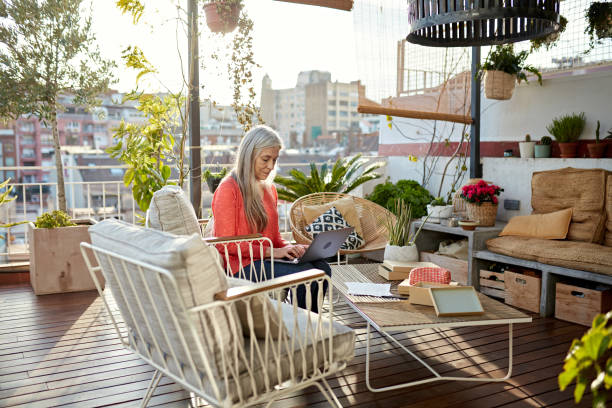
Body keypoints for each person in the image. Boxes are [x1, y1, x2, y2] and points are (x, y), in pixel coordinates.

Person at [211, 125, 331, 312]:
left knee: (322, 268)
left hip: (265, 260)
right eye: (265, 159)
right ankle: (299, 327)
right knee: (306, 275)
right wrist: (272, 252)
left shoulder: (269, 189)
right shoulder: (228, 189)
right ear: (249, 155)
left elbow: (274, 238)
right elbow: (225, 245)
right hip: (241, 266)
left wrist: (291, 248)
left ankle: (309, 324)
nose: (271, 166)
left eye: (274, 160)